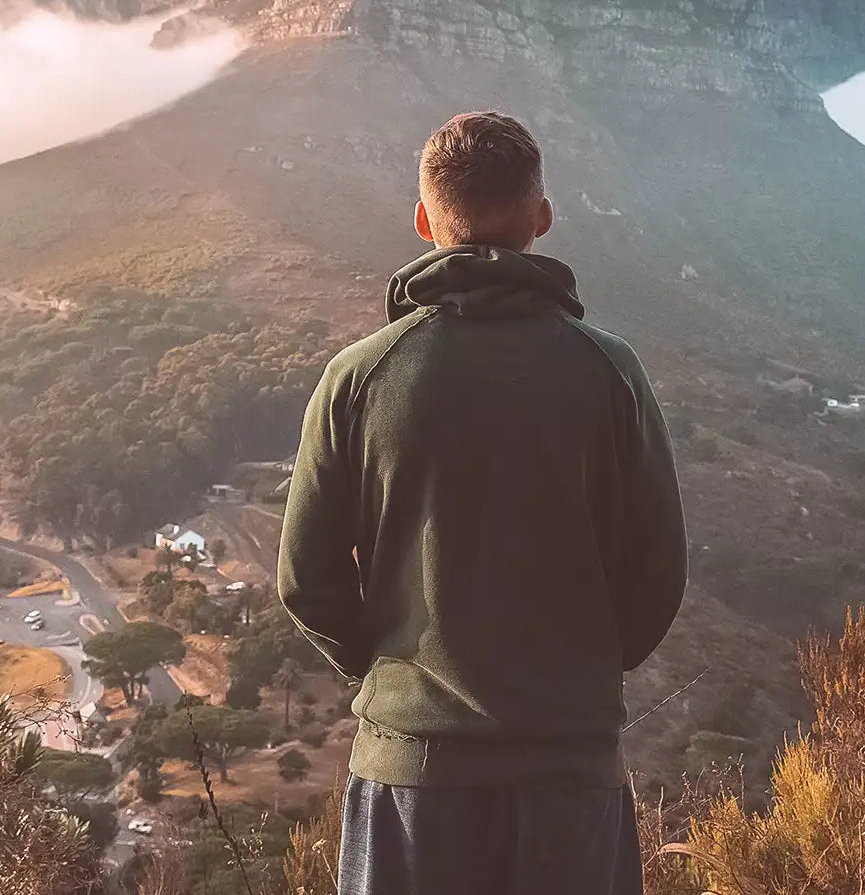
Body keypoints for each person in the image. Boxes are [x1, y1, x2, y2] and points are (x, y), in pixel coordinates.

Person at [278, 111, 689, 895]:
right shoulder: (610, 373)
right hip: (571, 773)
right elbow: (658, 572)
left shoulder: (361, 377)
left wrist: (393, 673)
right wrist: (584, 672)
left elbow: (306, 579)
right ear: (542, 217)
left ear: (425, 219)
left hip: (411, 781)